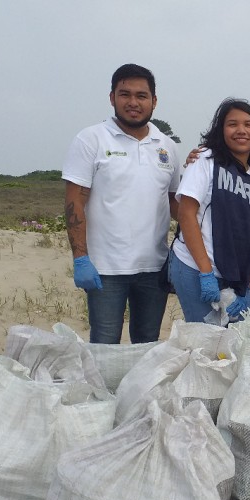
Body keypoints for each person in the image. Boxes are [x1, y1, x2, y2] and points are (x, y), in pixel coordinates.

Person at [63, 63, 180, 343]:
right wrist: (81, 259)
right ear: (112, 97)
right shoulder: (91, 138)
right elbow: (74, 201)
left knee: (148, 342)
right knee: (104, 344)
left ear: (154, 101)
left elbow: (177, 204)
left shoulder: (167, 146)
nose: (133, 102)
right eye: (124, 94)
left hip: (154, 268)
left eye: (142, 96)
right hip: (105, 268)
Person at [168, 99, 250, 324]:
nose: (241, 130)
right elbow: (186, 214)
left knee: (239, 344)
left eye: (248, 124)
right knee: (206, 345)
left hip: (234, 279)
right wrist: (205, 273)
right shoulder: (206, 159)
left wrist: (245, 287)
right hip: (194, 267)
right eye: (232, 124)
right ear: (221, 130)